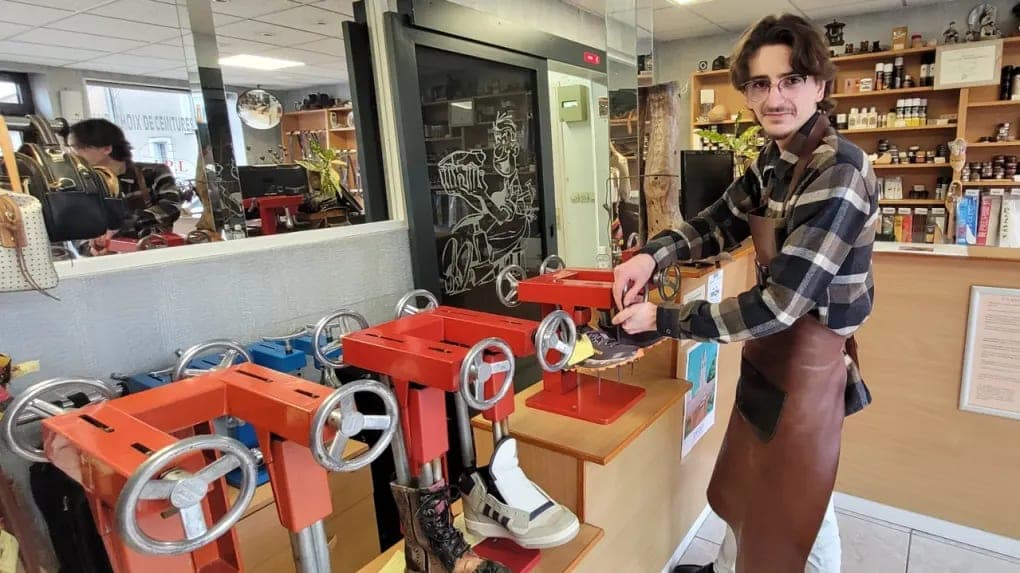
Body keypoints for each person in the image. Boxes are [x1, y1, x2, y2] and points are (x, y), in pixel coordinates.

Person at [611, 14, 877, 573]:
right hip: (770, 360)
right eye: (760, 84)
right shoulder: (773, 159)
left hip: (807, 363)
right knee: (748, 490)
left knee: (800, 510)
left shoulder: (839, 172)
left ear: (819, 85)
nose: (774, 97)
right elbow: (719, 220)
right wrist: (650, 253)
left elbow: (779, 306)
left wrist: (663, 319)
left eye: (790, 80)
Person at [67, 119, 182, 252]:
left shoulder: (152, 173)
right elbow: (75, 228)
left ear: (107, 148)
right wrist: (91, 248)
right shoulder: (81, 184)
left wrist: (121, 225)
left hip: (153, 254)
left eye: (76, 147)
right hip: (108, 262)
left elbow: (171, 207)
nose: (71, 154)